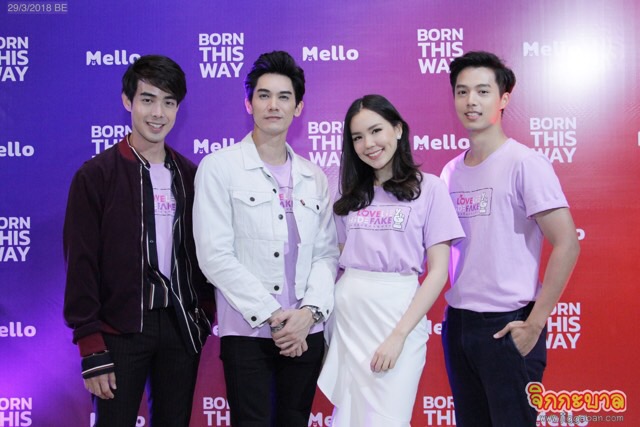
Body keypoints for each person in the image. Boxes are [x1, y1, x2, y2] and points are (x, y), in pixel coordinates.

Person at [63, 55, 214, 427]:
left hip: (181, 327)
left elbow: (207, 253)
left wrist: (203, 314)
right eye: (148, 99)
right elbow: (81, 264)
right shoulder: (96, 176)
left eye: (169, 102)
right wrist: (90, 345)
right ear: (127, 101)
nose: (158, 113)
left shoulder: (192, 176)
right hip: (119, 331)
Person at [193, 50, 339, 427]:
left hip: (305, 332)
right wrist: (274, 316)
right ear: (249, 103)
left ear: (298, 107)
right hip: (248, 330)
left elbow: (326, 254)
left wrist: (308, 314)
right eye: (264, 95)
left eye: (284, 97)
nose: (273, 105)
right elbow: (214, 255)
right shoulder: (219, 167)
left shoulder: (314, 177)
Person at [440, 51, 580, 427]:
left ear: (503, 99)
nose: (471, 101)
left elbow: (567, 243)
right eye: (462, 91)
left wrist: (535, 323)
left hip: (508, 325)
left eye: (482, 91)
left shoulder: (525, 163)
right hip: (459, 325)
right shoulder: (450, 172)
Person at [317, 94, 465, 427]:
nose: (368, 144)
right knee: (349, 417)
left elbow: (438, 273)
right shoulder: (347, 194)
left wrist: (399, 335)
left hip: (399, 315)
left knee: (389, 419)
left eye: (376, 131)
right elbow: (334, 259)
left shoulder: (430, 189)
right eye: (357, 137)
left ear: (397, 129)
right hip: (349, 316)